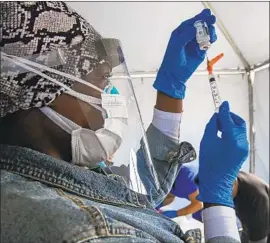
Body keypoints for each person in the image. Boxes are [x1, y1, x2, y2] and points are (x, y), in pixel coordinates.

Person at [0, 2, 249, 243]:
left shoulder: (34, 180)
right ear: (42, 91)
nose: (106, 103)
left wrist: (171, 90)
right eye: (100, 80)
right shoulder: (87, 230)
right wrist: (219, 201)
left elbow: (134, 193)